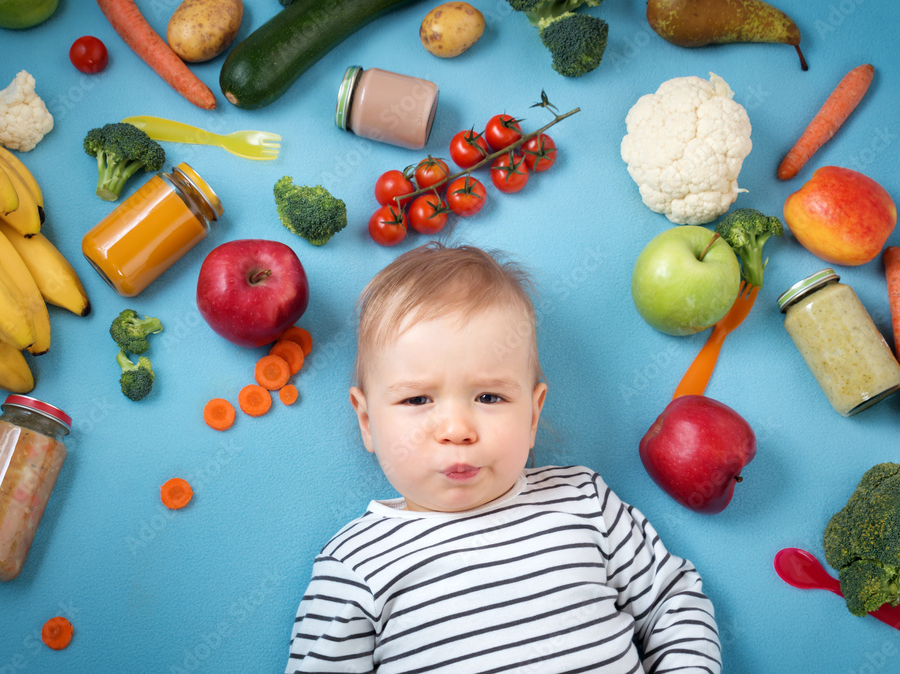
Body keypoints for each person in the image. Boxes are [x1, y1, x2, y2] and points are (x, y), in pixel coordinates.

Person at [286, 242, 721, 673]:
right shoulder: (355, 563)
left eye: (489, 396)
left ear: (533, 414)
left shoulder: (584, 500)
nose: (457, 430)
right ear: (367, 421)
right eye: (417, 399)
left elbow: (672, 602)